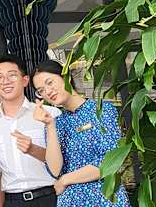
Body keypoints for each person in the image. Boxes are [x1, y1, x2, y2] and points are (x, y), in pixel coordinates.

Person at [31, 60, 130, 207]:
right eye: (41, 90)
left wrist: (65, 180)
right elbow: (55, 170)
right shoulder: (55, 123)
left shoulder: (102, 110)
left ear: (66, 77)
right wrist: (50, 125)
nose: (48, 91)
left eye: (50, 82)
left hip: (105, 198)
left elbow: (111, 161)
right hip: (70, 201)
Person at [0, 55, 60, 207]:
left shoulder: (50, 114)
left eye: (12, 75)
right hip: (13, 201)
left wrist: (32, 149)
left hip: (51, 196)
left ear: (25, 80)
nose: (5, 81)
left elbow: (64, 161)